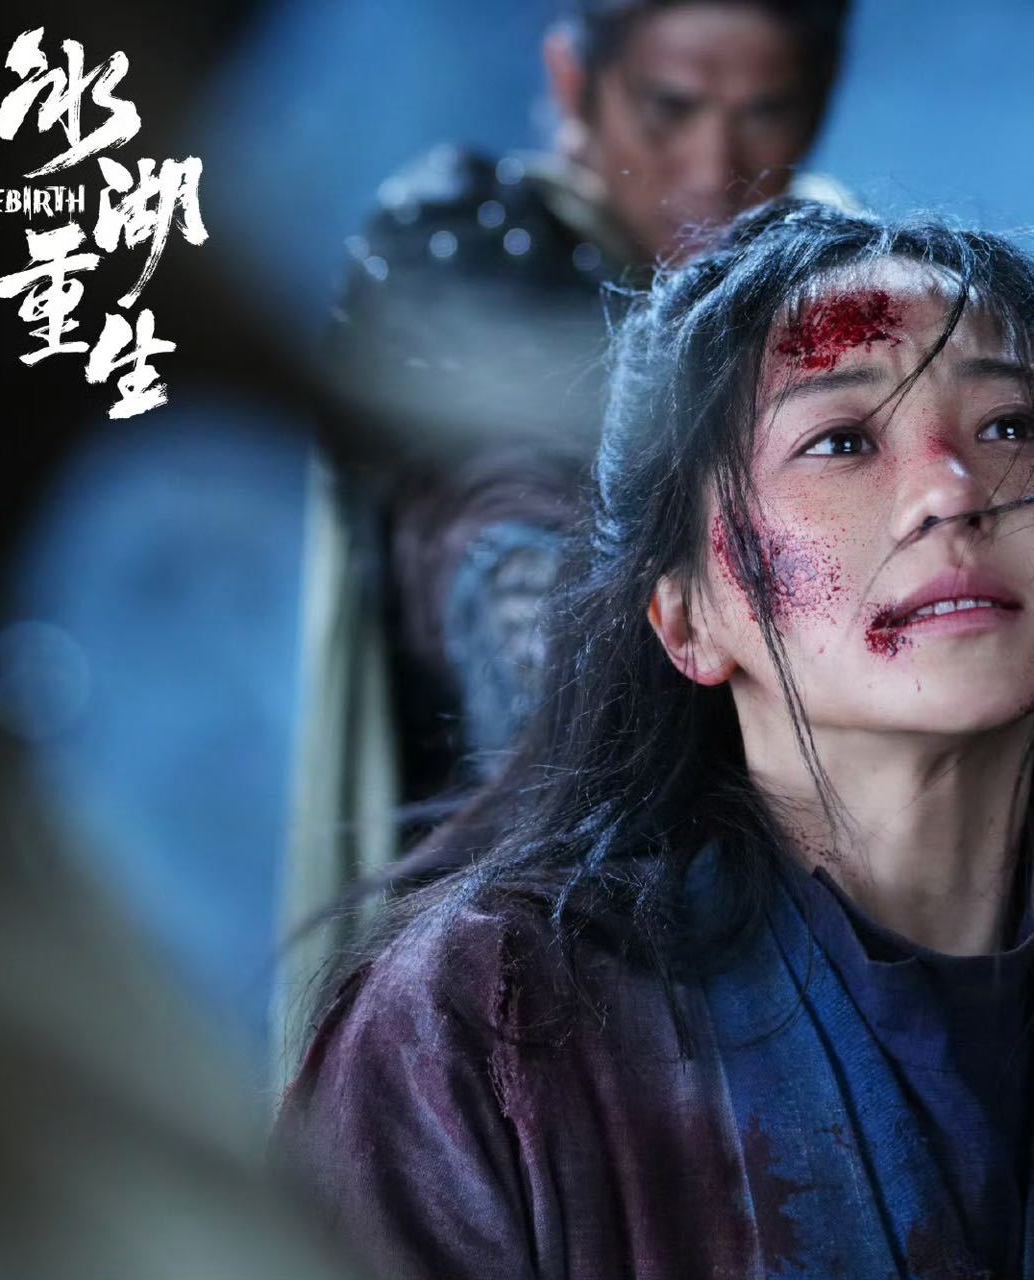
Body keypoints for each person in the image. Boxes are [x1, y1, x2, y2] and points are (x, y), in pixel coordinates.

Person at [276, 199, 1034, 1280]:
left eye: (1010, 425)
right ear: (686, 615)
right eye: (841, 440)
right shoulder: (484, 1023)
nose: (951, 491)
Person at [278, 0, 857, 1079]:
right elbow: (499, 549)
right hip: (524, 910)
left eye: (765, 113)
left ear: (820, 102)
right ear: (572, 83)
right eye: (669, 108)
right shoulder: (465, 247)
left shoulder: (850, 280)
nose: (713, 164)